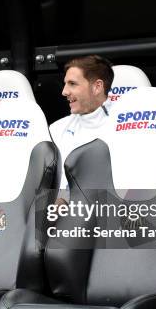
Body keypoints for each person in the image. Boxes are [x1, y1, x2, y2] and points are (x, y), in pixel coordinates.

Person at [49, 55, 114, 204]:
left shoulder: (123, 126)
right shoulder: (57, 128)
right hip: (61, 220)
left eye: (72, 84)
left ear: (97, 86)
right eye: (65, 84)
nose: (64, 91)